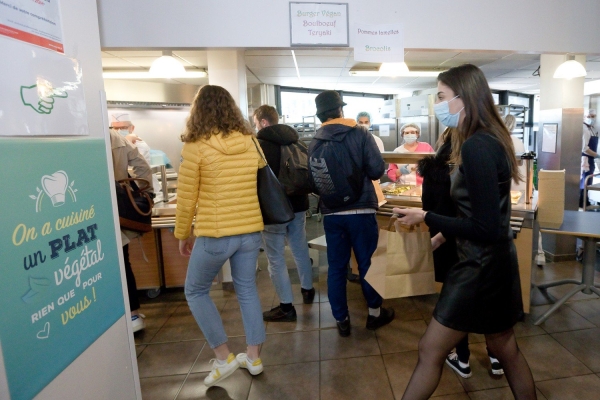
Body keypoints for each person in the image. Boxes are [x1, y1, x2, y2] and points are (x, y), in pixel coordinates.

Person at [396, 64, 536, 400]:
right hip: (494, 262)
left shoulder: (477, 146)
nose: (438, 105)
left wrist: (427, 216)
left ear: (464, 98)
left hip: (479, 268)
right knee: (504, 346)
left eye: (442, 97)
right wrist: (442, 235)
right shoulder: (489, 139)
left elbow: (484, 226)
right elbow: (481, 213)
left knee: (430, 350)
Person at [174, 85, 266, 387]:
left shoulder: (196, 145)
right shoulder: (250, 140)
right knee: (247, 290)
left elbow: (187, 197)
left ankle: (224, 356)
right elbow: (262, 174)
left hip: (216, 234)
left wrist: (182, 232)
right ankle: (253, 357)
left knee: (196, 291)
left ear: (198, 111)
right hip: (250, 230)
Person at [418, 128, 504, 379]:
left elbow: (427, 206)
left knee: (456, 301)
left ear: (444, 141)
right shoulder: (480, 162)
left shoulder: (434, 169)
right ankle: (496, 356)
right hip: (477, 246)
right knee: (484, 300)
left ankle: (462, 358)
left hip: (444, 242)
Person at [309, 90, 394, 337]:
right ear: (341, 110)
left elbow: (313, 182)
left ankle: (342, 320)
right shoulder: (360, 133)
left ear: (320, 116)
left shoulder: (315, 141)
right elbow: (377, 170)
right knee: (366, 263)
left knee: (336, 267)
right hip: (362, 210)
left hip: (332, 214)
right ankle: (374, 315)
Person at [253, 105, 316, 322]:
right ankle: (308, 289)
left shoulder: (258, 146)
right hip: (299, 204)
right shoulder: (295, 140)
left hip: (273, 210)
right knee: (299, 247)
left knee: (276, 258)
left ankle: (286, 307)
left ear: (262, 122)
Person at [109, 128, 155, 333]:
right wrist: (147, 194)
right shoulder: (115, 137)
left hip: (87, 212)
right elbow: (142, 166)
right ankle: (133, 314)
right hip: (118, 209)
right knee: (122, 261)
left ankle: (113, 317)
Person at [111, 113, 161, 197]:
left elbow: (141, 168)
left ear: (132, 128)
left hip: (140, 189)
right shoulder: (111, 142)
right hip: (123, 192)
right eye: (116, 128)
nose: (119, 131)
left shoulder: (140, 144)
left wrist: (126, 143)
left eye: (123, 128)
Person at [579, 108, 599, 208]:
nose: (591, 118)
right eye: (589, 117)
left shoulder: (591, 129)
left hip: (590, 159)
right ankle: (582, 202)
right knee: (584, 181)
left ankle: (585, 201)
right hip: (585, 159)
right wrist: (597, 155)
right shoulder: (585, 129)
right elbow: (584, 148)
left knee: (587, 181)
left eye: (593, 117)